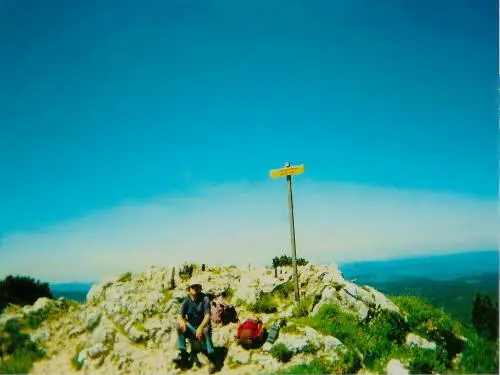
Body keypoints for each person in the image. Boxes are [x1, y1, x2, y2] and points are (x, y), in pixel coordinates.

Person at [173, 279, 216, 373]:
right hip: (192, 328)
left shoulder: (204, 299)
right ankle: (182, 353)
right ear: (189, 289)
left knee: (205, 329)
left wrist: (200, 327)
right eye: (193, 287)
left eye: (197, 286)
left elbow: (207, 316)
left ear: (200, 288)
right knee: (178, 325)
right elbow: (180, 316)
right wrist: (182, 322)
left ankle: (211, 357)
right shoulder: (187, 301)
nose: (195, 288)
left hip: (203, 328)